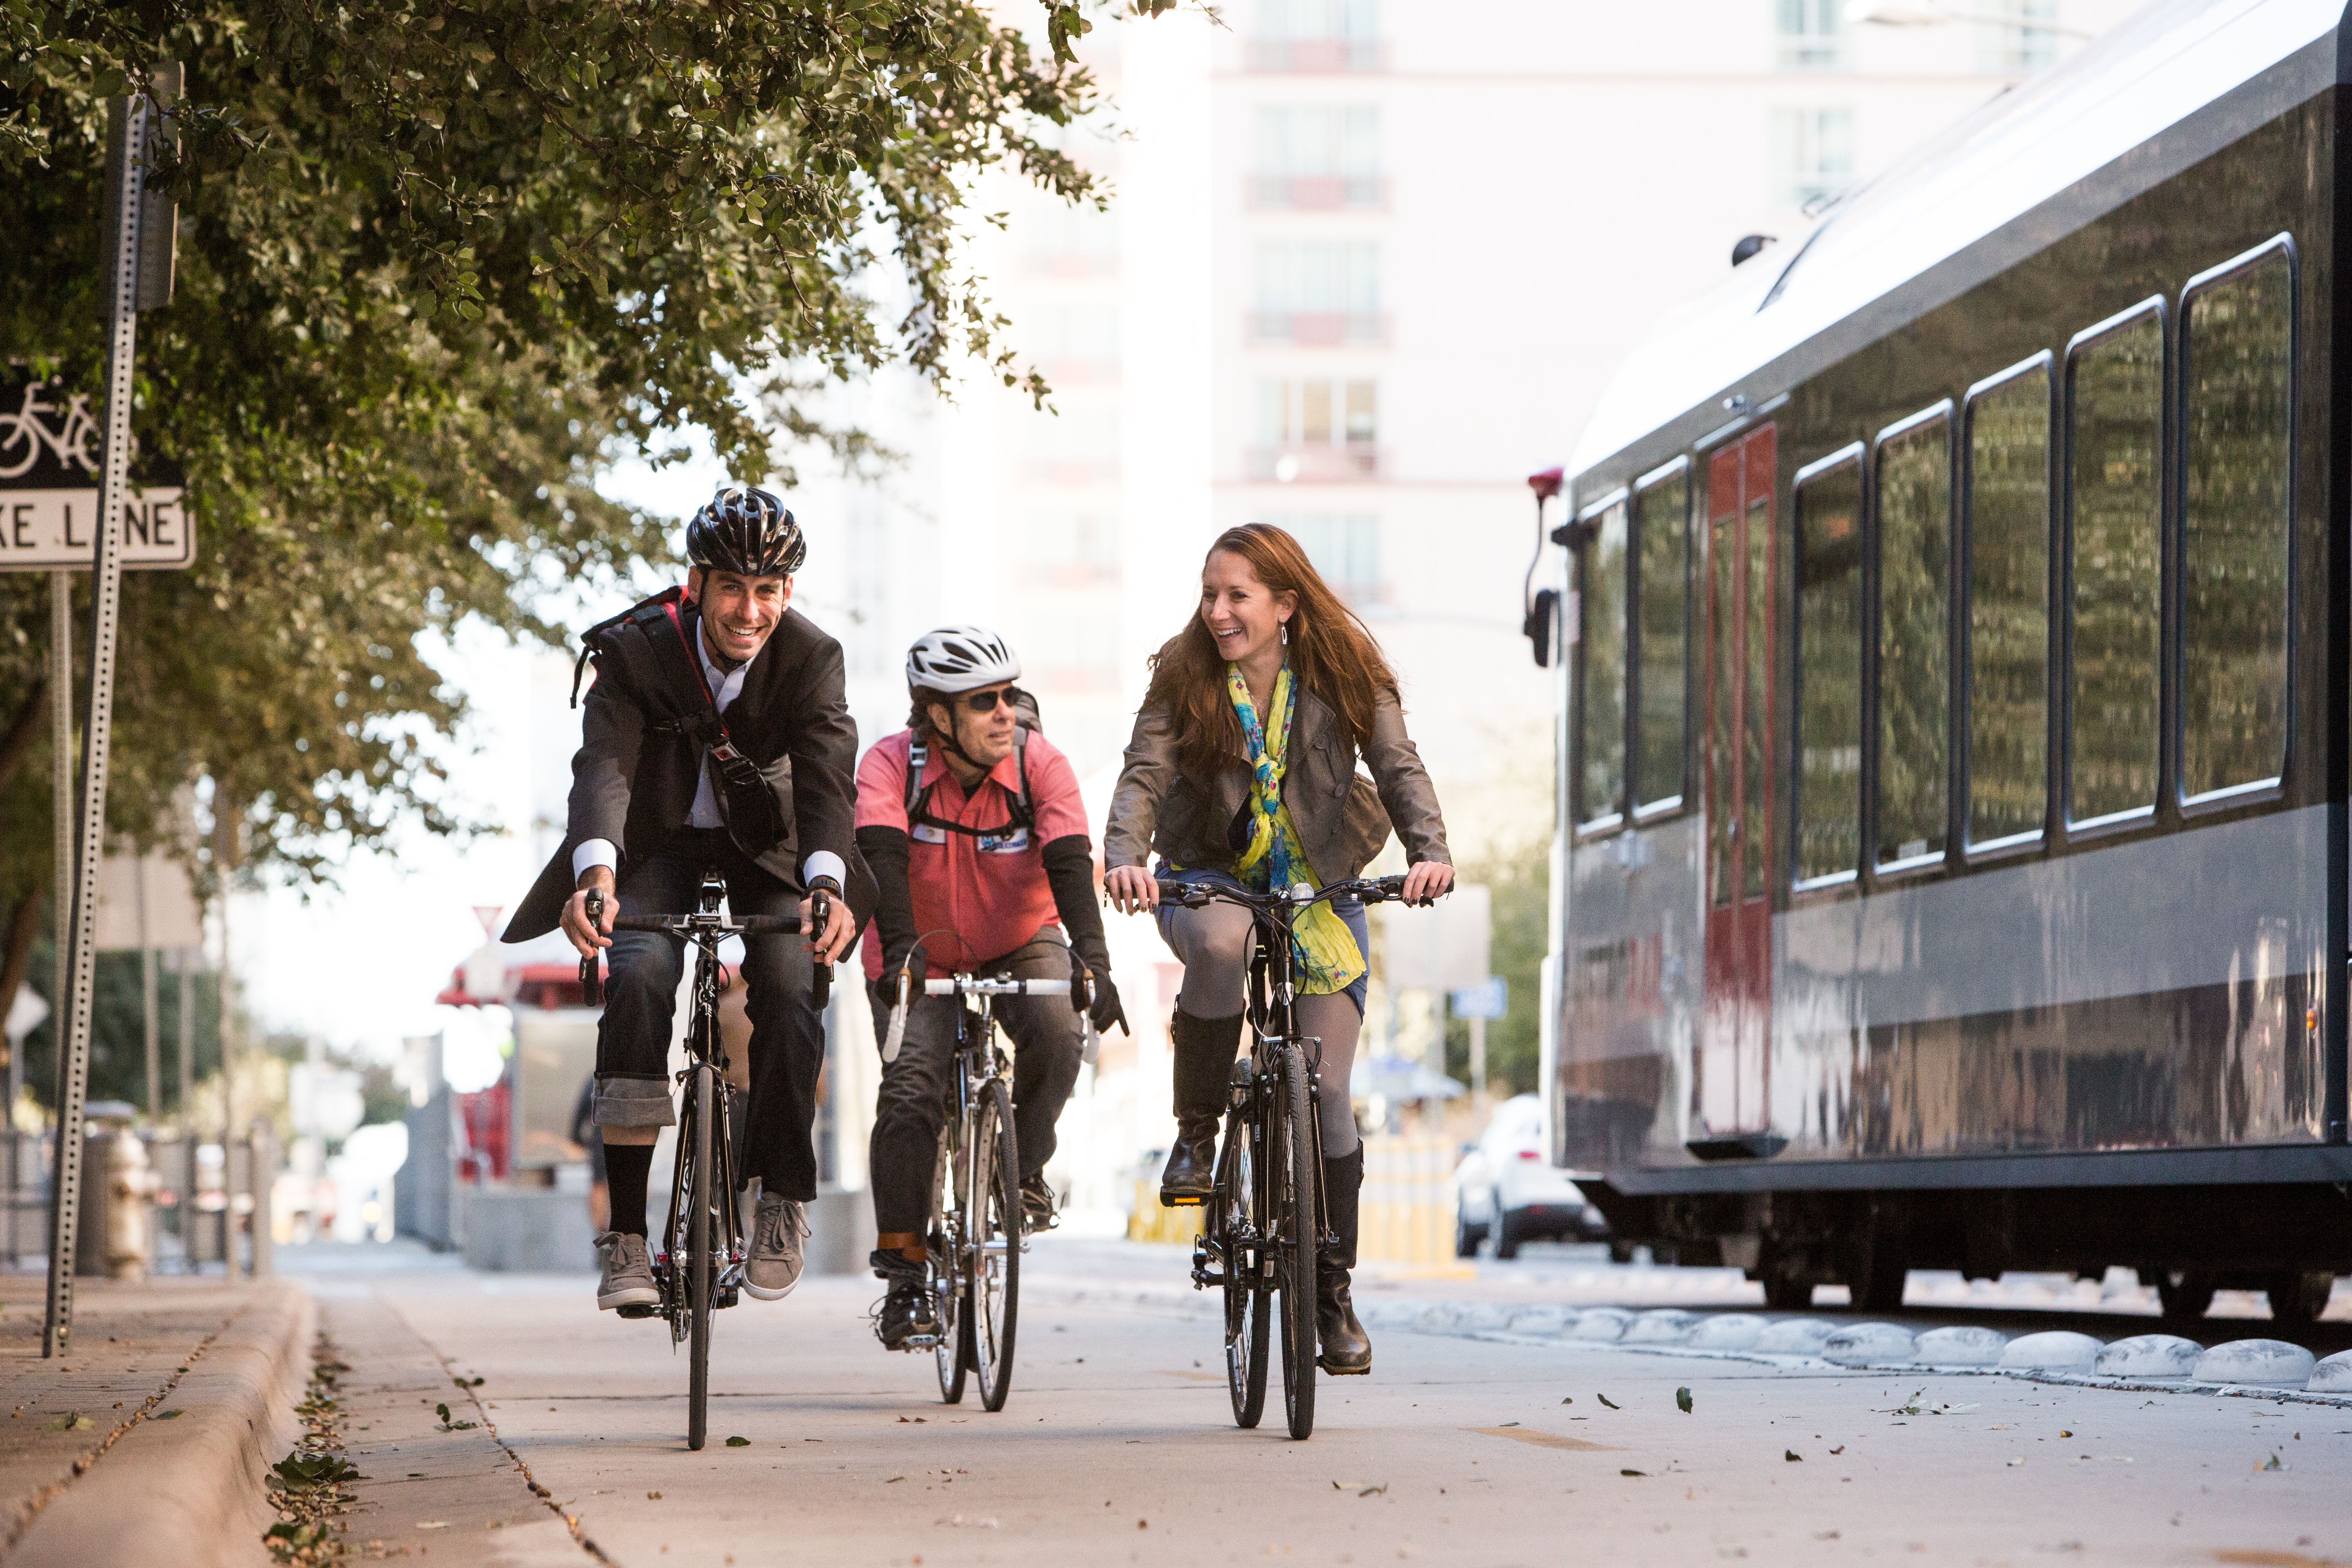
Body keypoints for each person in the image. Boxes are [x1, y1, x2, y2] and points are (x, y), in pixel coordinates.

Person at [506, 484, 872, 1315]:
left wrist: (826, 884)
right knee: (635, 972)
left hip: (768, 845)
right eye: (734, 587)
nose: (750, 610)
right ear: (697, 583)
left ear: (788, 594)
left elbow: (826, 786)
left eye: (769, 591)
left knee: (789, 981)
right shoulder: (636, 651)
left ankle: (781, 1197)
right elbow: (603, 770)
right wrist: (595, 878)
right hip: (656, 843)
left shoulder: (812, 659)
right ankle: (628, 1237)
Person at [1103, 523, 1452, 1376]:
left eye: (1238, 597)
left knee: (1329, 1085)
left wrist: (1429, 850)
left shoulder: (1347, 673)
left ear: (1286, 606)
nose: (1218, 612)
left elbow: (1399, 764)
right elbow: (1144, 774)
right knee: (1221, 940)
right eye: (1210, 594)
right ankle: (1196, 1134)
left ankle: (1332, 1297)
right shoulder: (1184, 677)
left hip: (1319, 887)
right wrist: (1123, 857)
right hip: (1209, 877)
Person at [855, 627, 1129, 1349]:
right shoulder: (890, 765)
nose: (1006, 712)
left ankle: (1024, 1169)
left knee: (1060, 1031)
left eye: (1009, 695)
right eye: (985, 702)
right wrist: (902, 961)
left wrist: (1094, 964)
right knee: (913, 1084)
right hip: (918, 945)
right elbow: (879, 863)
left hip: (1019, 935)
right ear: (937, 717)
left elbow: (1072, 864)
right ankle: (907, 1277)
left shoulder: (1041, 763)